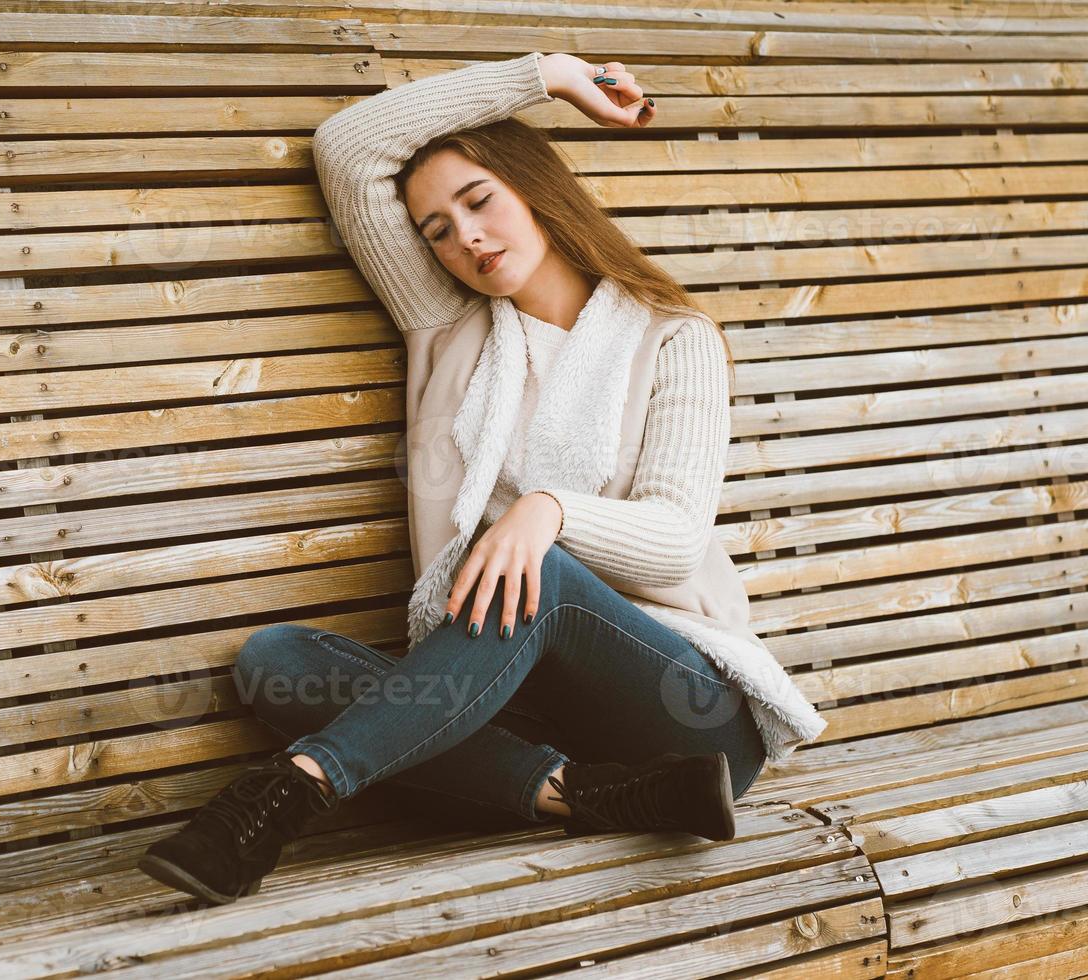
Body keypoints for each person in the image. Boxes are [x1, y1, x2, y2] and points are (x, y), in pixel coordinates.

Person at [138, 51, 828, 906]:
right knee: (276, 662)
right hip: (513, 702)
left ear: (535, 190)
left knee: (537, 568)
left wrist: (546, 513)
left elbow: (676, 539)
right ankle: (584, 795)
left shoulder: (671, 338)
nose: (463, 238)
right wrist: (551, 75)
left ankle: (288, 793)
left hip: (683, 715)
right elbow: (351, 149)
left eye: (479, 202)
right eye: (435, 229)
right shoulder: (449, 330)